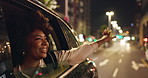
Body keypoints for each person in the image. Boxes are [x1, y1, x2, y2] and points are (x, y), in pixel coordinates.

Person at [11, 11, 115, 78]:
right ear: (24, 43)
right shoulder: (11, 72)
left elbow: (79, 53)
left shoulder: (54, 59)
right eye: (38, 39)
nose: (45, 43)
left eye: (45, 38)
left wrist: (103, 40)